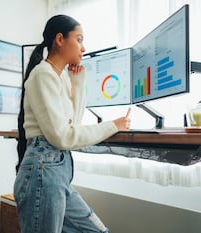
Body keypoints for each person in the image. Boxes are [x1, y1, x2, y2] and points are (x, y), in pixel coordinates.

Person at [14, 14, 131, 233]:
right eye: (79, 39)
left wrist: (77, 81)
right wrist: (113, 125)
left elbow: (73, 125)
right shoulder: (43, 74)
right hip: (43, 169)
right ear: (60, 39)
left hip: (55, 172)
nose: (83, 48)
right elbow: (64, 136)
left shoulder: (60, 77)